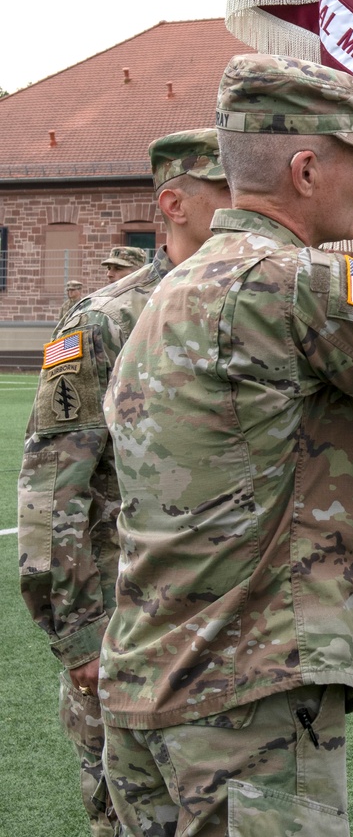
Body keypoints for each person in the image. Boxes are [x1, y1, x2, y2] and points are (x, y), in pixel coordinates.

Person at [99, 53, 353, 837]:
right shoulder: (292, 282)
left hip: (151, 692)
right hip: (242, 704)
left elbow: (252, 500)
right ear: (306, 169)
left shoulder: (170, 296)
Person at [17, 127, 231, 837]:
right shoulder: (104, 322)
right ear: (174, 203)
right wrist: (79, 639)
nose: (246, 209)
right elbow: (52, 494)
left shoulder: (259, 307)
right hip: (125, 627)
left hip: (232, 633)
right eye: (226, 193)